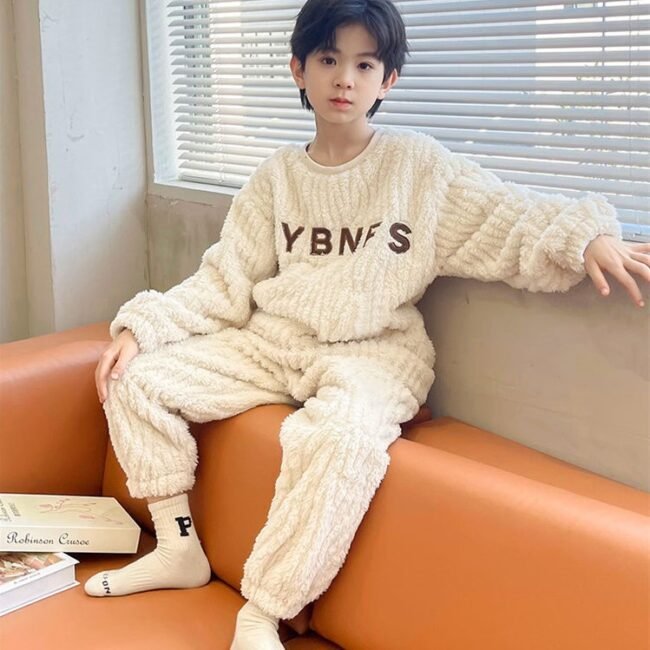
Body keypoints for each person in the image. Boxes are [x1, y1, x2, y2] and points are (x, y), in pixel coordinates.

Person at [83, 0, 649, 648]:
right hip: (275, 343)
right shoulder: (275, 179)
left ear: (388, 80)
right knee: (133, 378)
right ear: (299, 70)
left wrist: (586, 238)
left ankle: (263, 612)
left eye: (364, 64)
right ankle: (178, 546)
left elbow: (507, 213)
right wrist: (141, 329)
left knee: (343, 439)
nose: (344, 79)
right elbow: (223, 281)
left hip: (375, 354)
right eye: (329, 59)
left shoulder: (417, 168)